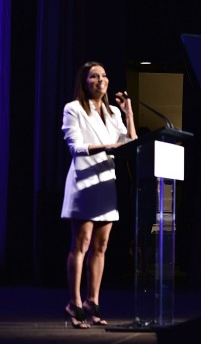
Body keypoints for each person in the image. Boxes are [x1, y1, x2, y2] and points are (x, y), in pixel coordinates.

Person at [61, 61, 136, 329]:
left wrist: (128, 113)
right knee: (81, 244)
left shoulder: (112, 111)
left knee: (101, 247)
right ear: (85, 82)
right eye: (94, 76)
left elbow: (129, 142)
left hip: (105, 183)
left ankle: (93, 301)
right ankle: (75, 302)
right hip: (83, 183)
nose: (101, 80)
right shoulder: (73, 109)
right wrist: (108, 146)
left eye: (104, 75)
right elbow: (75, 146)